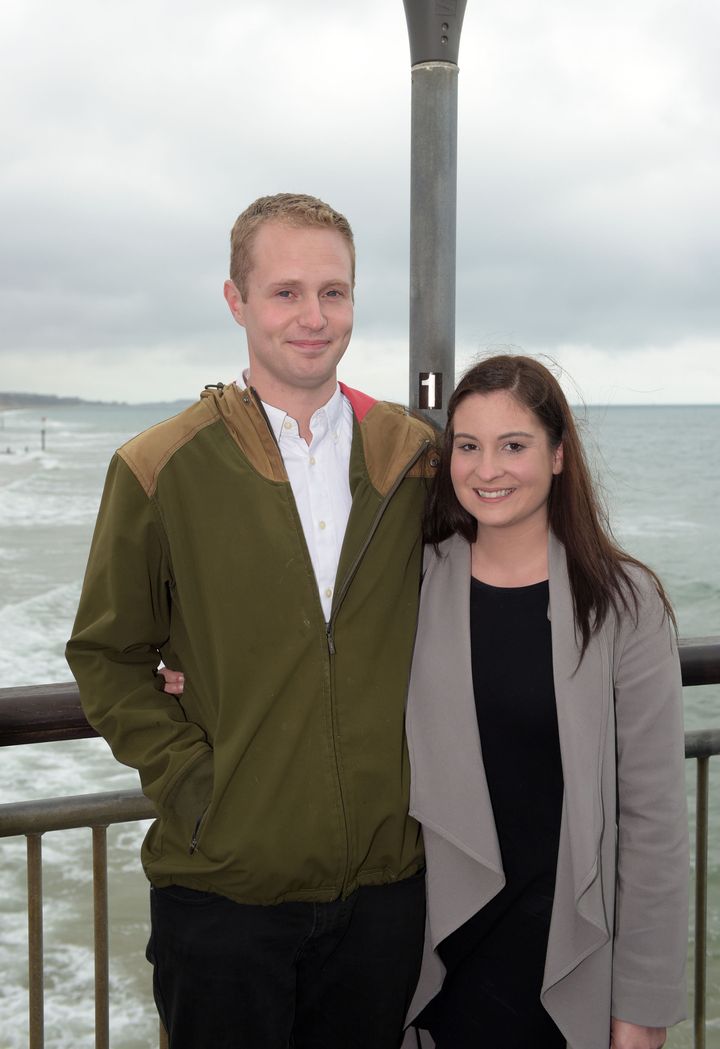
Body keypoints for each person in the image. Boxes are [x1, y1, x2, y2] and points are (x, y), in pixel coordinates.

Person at [66, 193, 438, 1049]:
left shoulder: (412, 457)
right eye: (285, 292)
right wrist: (199, 787)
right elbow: (107, 654)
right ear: (236, 301)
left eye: (334, 292)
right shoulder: (160, 465)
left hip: (386, 887)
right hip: (223, 893)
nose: (314, 317)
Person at [402, 355, 688, 1049]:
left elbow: (652, 819)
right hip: (434, 959)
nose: (487, 468)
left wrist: (641, 1012)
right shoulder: (410, 582)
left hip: (564, 961)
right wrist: (193, 670)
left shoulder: (624, 602)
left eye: (514, 445)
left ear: (559, 455)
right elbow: (312, 653)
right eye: (467, 446)